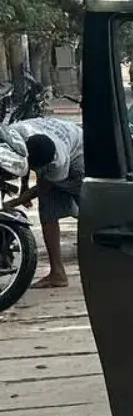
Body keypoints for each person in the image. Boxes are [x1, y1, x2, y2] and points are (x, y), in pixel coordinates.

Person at [1, 115, 84, 289]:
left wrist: (13, 203)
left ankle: (58, 273)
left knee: (71, 209)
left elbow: (42, 188)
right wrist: (24, 185)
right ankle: (58, 272)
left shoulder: (58, 161)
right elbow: (23, 163)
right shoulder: (16, 136)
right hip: (57, 134)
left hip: (81, 156)